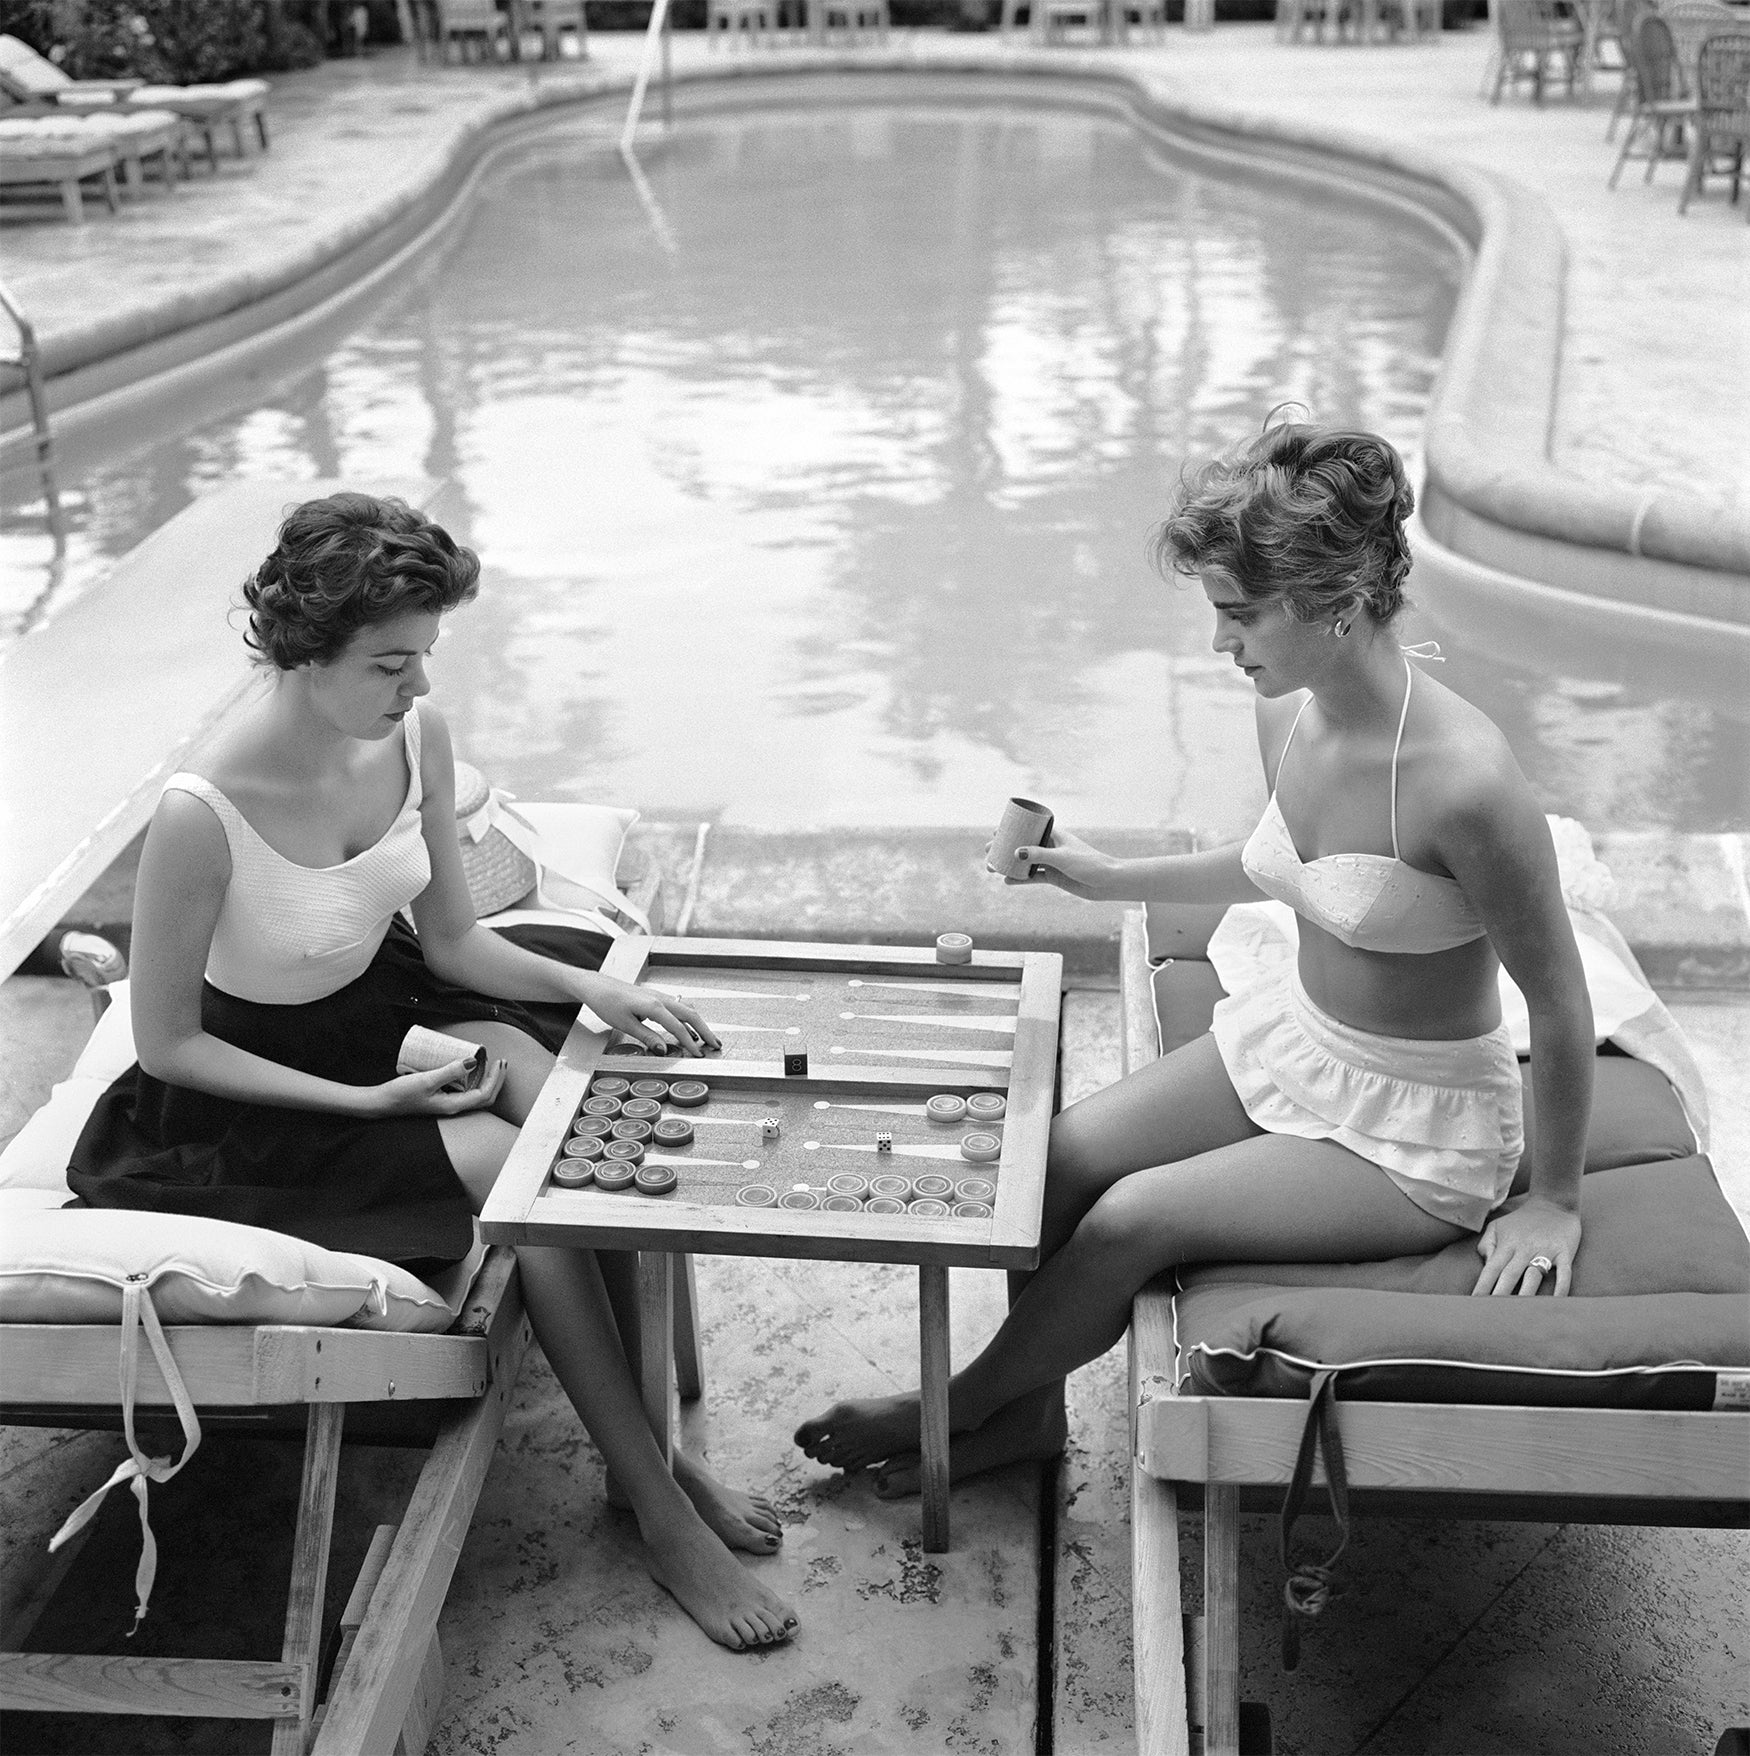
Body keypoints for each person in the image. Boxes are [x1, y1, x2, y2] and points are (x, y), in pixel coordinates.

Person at [796, 419, 1595, 1496]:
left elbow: (1555, 999)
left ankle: (957, 1407)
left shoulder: (1465, 783)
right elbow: (1283, 863)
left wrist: (1552, 1199)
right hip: (1297, 1042)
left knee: (1136, 1215)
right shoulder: (1291, 713)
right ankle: (1023, 1413)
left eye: (1238, 613)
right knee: (1062, 1156)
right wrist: (1101, 875)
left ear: (1334, 600)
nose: (1221, 643)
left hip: (1414, 1128)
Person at [70, 492, 797, 1650]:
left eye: (425, 658)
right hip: (244, 1097)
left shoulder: (415, 737)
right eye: (391, 663)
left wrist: (594, 987)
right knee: (518, 1173)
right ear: (303, 653)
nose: (417, 687)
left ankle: (656, 1451)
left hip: (381, 1012)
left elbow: (454, 942)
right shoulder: (202, 813)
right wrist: (364, 1102)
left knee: (588, 1096)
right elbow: (171, 1045)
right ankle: (656, 1507)